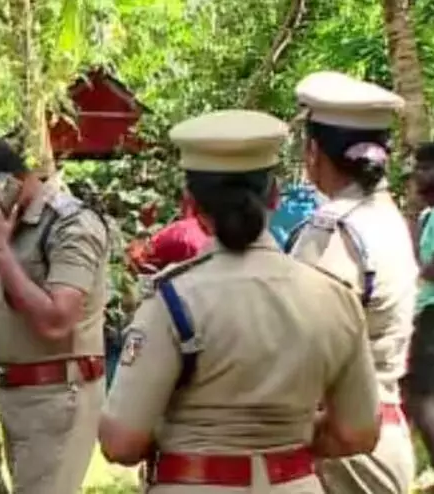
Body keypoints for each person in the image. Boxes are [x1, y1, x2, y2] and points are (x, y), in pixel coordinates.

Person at [99, 109, 381, 494]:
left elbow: (121, 442)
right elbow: (358, 433)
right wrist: (280, 447)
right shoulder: (334, 298)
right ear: (275, 195)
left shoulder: (173, 300)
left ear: (191, 203)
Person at [0, 133, 110, 494]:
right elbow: (22, 305)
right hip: (21, 396)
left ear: (6, 184)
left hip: (56, 396)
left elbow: (56, 320)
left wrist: (1, 252)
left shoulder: (70, 225)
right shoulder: (14, 229)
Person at [287, 71, 416, 494]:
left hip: (341, 444)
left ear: (313, 152)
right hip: (384, 432)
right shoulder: (386, 216)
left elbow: (304, 344)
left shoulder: (333, 231)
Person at [405, 142, 434, 465]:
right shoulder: (426, 217)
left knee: (423, 398)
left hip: (431, 317)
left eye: (427, 168)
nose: (418, 176)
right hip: (422, 314)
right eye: (417, 168)